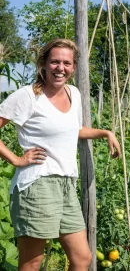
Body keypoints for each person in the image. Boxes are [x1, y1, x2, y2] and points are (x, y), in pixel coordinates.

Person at [0, 38, 121, 271]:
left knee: (82, 258)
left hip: (67, 185)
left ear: (74, 67)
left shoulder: (73, 93)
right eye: (55, 62)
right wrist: (16, 159)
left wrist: (105, 132)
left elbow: (74, 130)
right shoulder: (28, 96)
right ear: (44, 64)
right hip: (37, 185)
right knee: (32, 263)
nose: (60, 68)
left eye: (67, 63)